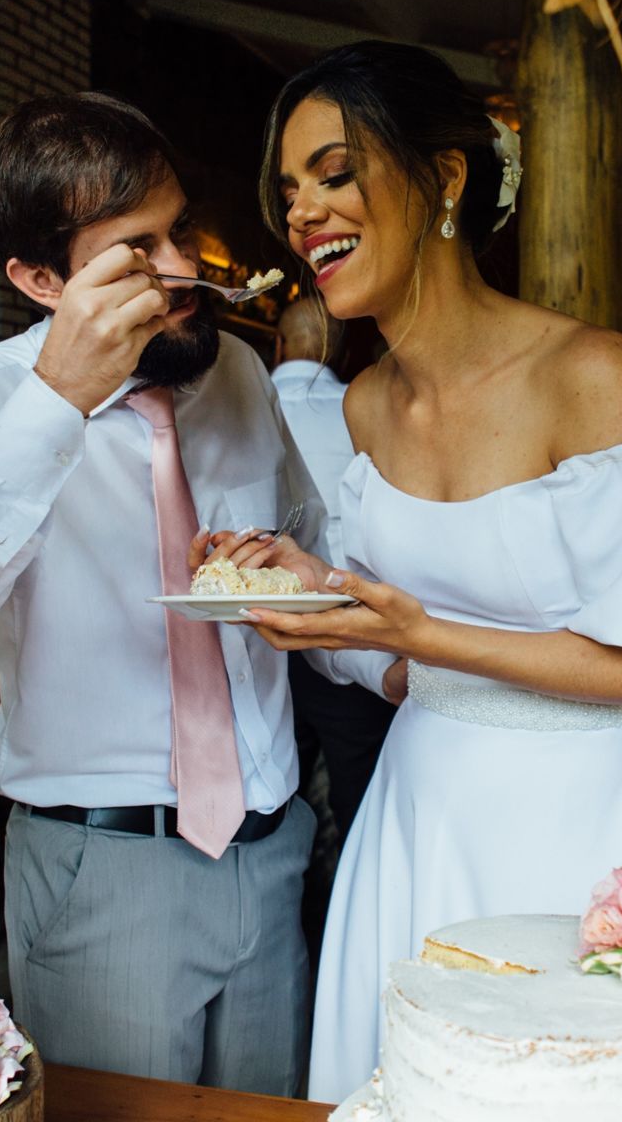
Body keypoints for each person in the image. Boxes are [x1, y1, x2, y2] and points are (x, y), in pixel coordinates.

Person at [210, 41, 622, 1105]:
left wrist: (419, 634)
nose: (306, 212)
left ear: (445, 177)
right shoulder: (360, 408)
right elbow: (395, 652)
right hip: (420, 809)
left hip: (582, 820)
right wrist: (315, 593)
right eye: (288, 191)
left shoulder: (585, 371)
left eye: (335, 171)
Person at [0, 93, 323, 1094]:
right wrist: (54, 408)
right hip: (102, 872)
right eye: (137, 251)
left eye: (180, 228)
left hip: (273, 852)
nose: (183, 268)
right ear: (40, 278)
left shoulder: (236, 372)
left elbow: (309, 540)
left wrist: (293, 572)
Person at [271, 299, 394, 841]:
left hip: (256, 648)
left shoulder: (243, 411)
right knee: (359, 794)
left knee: (272, 795)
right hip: (352, 637)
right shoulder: (359, 411)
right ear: (339, 352)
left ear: (276, 346)